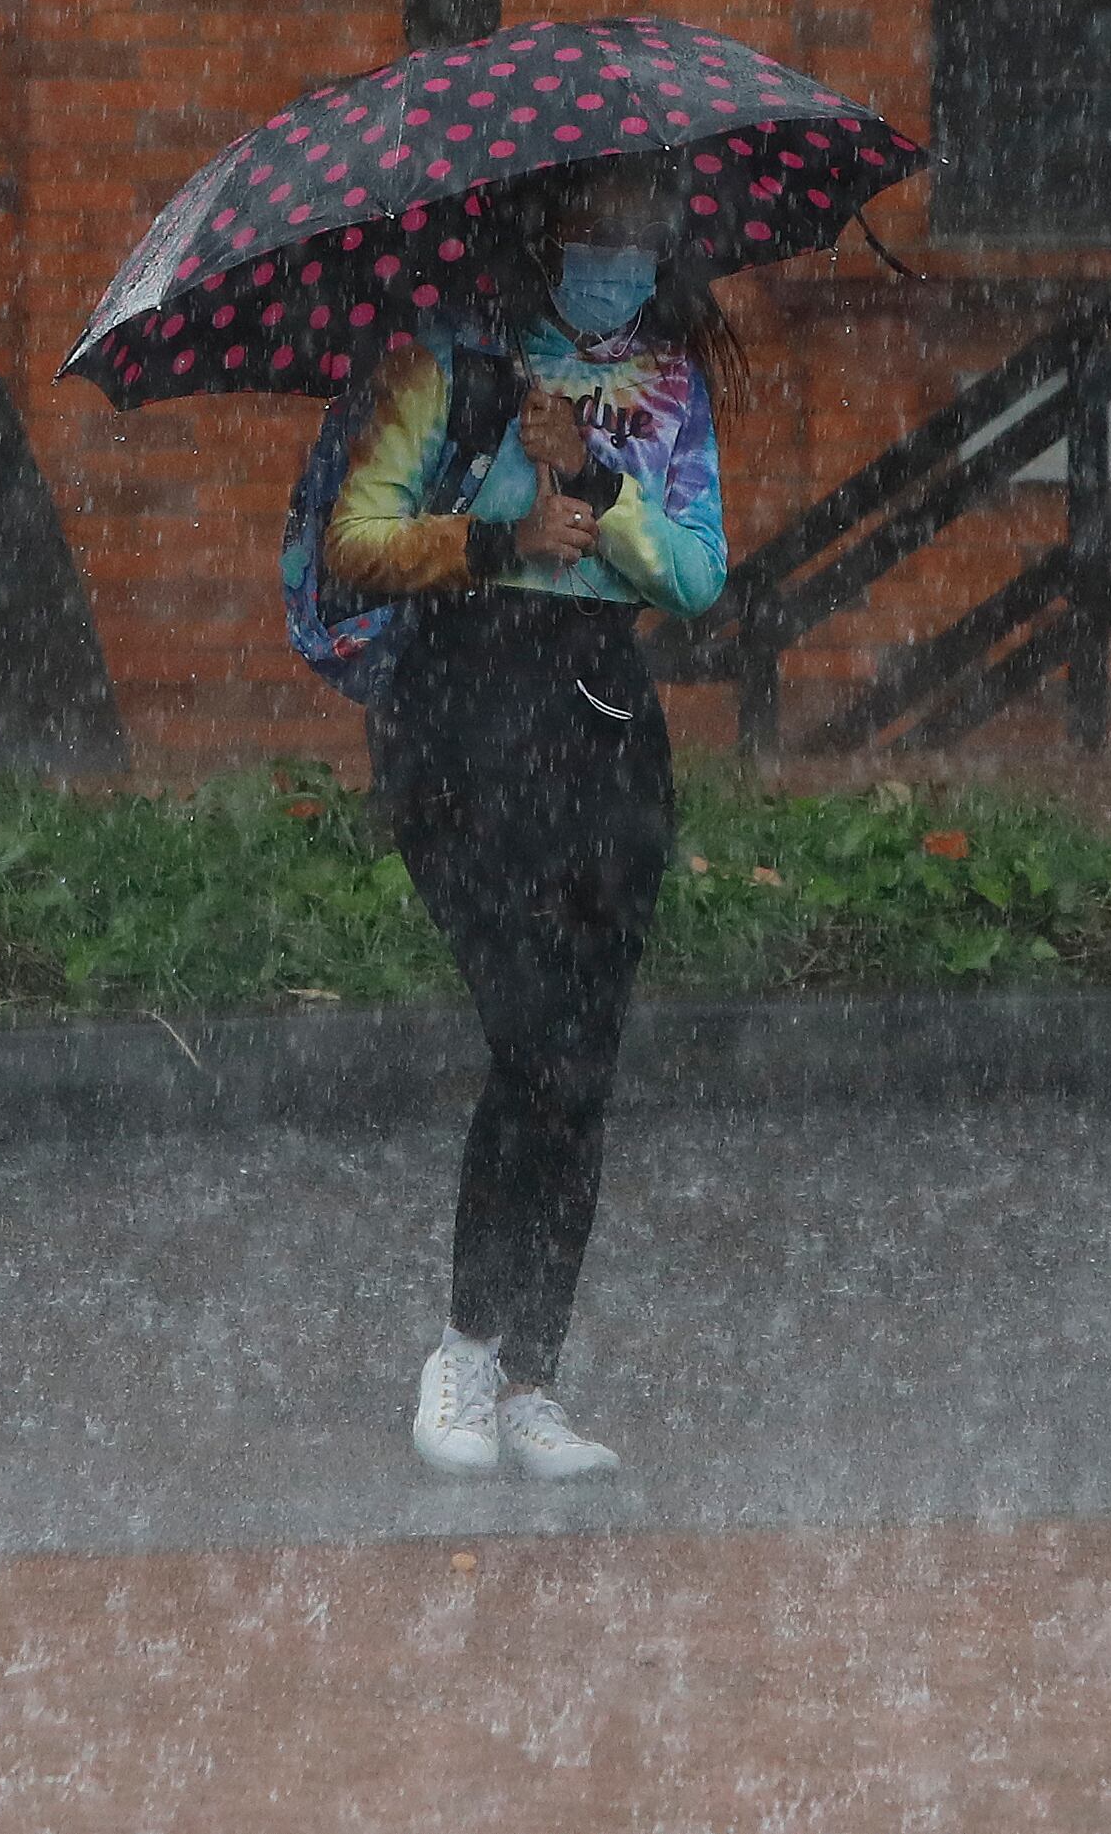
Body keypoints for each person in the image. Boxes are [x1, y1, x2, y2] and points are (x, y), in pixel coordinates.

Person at [320, 153, 731, 1480]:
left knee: (585, 1065)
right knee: (529, 1038)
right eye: (593, 228)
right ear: (539, 232)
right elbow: (357, 538)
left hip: (604, 729)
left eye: (641, 231)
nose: (619, 253)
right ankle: (463, 1344)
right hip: (462, 728)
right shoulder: (445, 359)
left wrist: (599, 484)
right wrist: (502, 529)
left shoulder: (668, 384)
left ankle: (534, 1378)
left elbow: (700, 571)